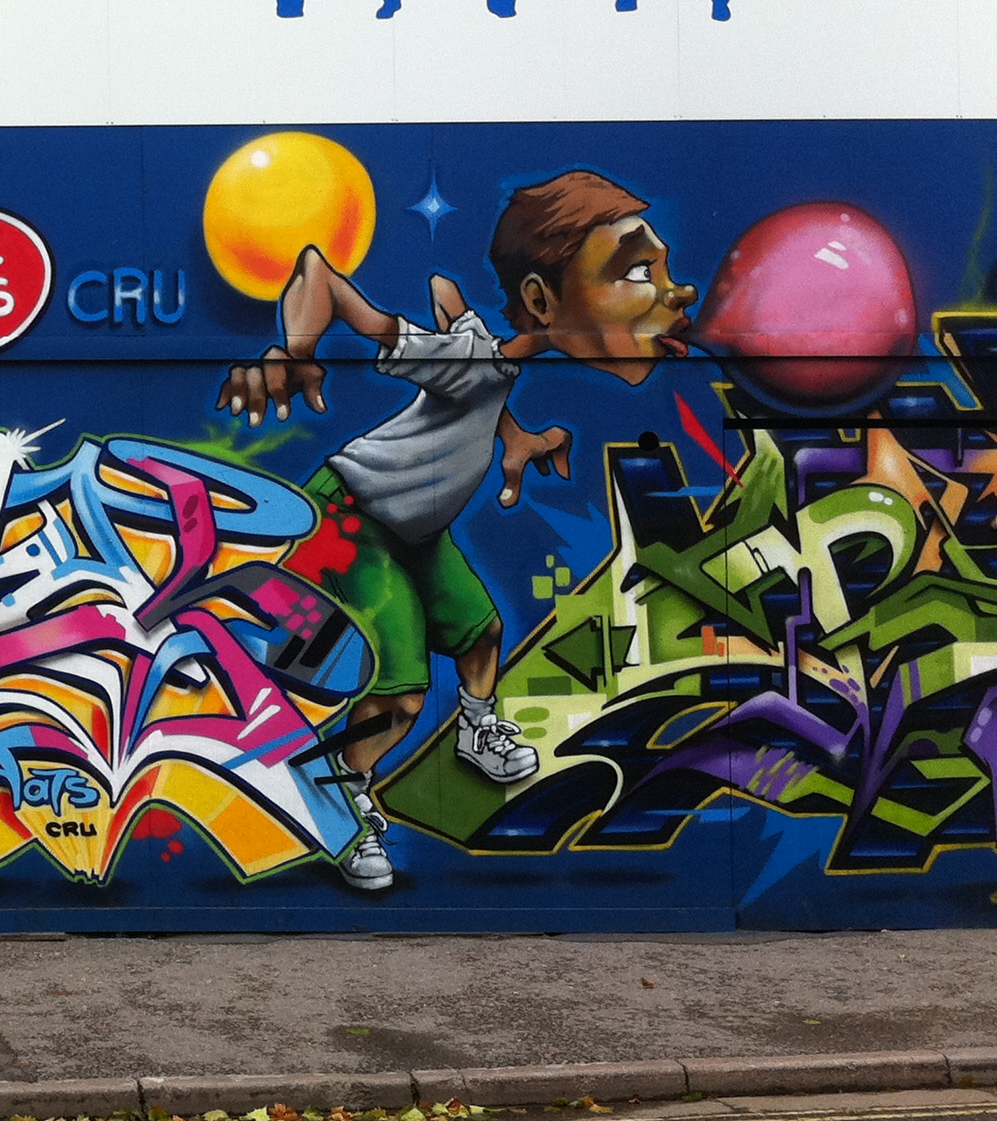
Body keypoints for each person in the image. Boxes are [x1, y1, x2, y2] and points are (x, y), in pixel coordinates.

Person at [215, 172, 699, 891]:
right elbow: (321, 275)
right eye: (637, 271)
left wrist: (517, 440)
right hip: (351, 519)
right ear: (541, 300)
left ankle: (477, 729)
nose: (677, 291)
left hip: (415, 528)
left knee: (481, 634)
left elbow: (478, 393)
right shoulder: (463, 358)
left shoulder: (489, 360)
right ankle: (342, 800)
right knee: (401, 692)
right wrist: (296, 351)